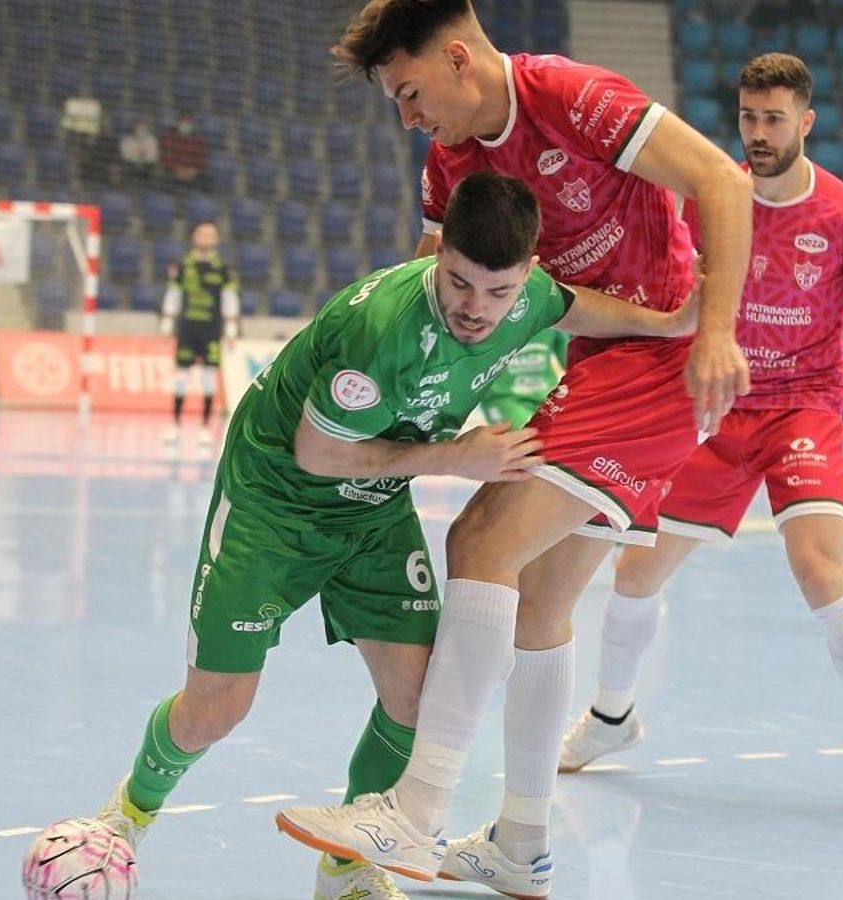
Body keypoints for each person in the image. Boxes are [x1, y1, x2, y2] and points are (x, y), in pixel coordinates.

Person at [79, 172, 696, 900]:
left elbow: (574, 308)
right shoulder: (380, 332)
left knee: (417, 702)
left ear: (525, 274)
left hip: (372, 512)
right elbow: (320, 453)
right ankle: (125, 815)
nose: (477, 309)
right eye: (461, 284)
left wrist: (672, 324)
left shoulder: (526, 297)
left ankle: (346, 869)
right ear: (440, 255)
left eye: (498, 293)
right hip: (275, 504)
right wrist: (458, 457)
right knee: (217, 709)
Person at [275, 2, 754, 895]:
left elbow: (722, 182)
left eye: (412, 92)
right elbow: (433, 294)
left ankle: (416, 811)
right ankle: (522, 844)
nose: (409, 116)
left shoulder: (570, 96)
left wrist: (718, 331)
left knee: (481, 542)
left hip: (662, 358)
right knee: (537, 606)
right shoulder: (451, 159)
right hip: (598, 358)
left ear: (459, 58)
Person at [550, 51, 843, 823]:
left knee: (818, 564)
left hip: (802, 408)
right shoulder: (707, 198)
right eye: (749, 118)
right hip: (714, 406)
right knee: (634, 573)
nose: (759, 133)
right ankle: (613, 717)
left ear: (806, 121)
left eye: (774, 119)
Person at [161, 222, 237, 445]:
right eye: (202, 233)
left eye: (211, 235)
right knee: (181, 376)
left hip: (211, 330)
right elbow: (173, 293)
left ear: (216, 240)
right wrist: (167, 323)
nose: (206, 238)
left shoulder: (222, 269)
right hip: (187, 328)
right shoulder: (183, 266)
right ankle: (175, 425)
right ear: (194, 237)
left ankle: (205, 427)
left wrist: (231, 329)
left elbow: (229, 299)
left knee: (208, 378)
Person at [477, 327, 568, 428]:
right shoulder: (490, 322)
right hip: (504, 399)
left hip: (548, 398)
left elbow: (571, 362)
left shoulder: (552, 319)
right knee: (530, 439)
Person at [159, 113, 208, 187]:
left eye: (188, 122)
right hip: (172, 174)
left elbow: (202, 159)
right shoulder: (169, 137)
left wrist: (193, 171)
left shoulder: (199, 140)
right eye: (184, 121)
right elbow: (165, 157)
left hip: (192, 175)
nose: (186, 124)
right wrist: (176, 170)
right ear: (178, 122)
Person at [119, 116, 159, 187]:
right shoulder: (127, 139)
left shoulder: (152, 140)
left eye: (143, 124)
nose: (140, 127)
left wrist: (141, 156)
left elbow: (153, 156)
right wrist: (139, 156)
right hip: (131, 166)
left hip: (147, 167)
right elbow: (125, 155)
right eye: (138, 124)